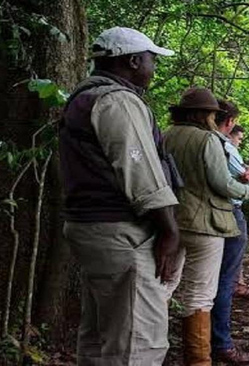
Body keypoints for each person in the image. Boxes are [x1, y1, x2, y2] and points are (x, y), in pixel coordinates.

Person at [59, 26, 180, 365]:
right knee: (137, 343)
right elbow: (140, 172)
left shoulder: (83, 98)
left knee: (101, 335)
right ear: (132, 61)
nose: (153, 69)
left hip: (91, 228)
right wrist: (169, 229)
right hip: (121, 232)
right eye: (151, 61)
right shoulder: (116, 100)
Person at [164, 88, 249, 366]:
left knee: (165, 284)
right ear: (206, 115)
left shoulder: (166, 135)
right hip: (204, 223)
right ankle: (199, 359)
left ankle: (153, 347)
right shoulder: (207, 140)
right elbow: (221, 183)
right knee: (200, 293)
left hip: (169, 221)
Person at [210, 101, 249, 364]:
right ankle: (221, 343)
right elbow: (235, 180)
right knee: (224, 279)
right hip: (227, 212)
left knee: (210, 280)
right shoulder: (219, 145)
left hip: (207, 216)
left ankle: (215, 339)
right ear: (229, 122)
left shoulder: (184, 137)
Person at [228, 125, 249, 299]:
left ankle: (238, 282)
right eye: (239, 138)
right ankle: (235, 284)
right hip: (231, 206)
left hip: (229, 206)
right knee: (236, 246)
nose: (239, 143)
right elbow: (246, 179)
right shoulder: (228, 150)